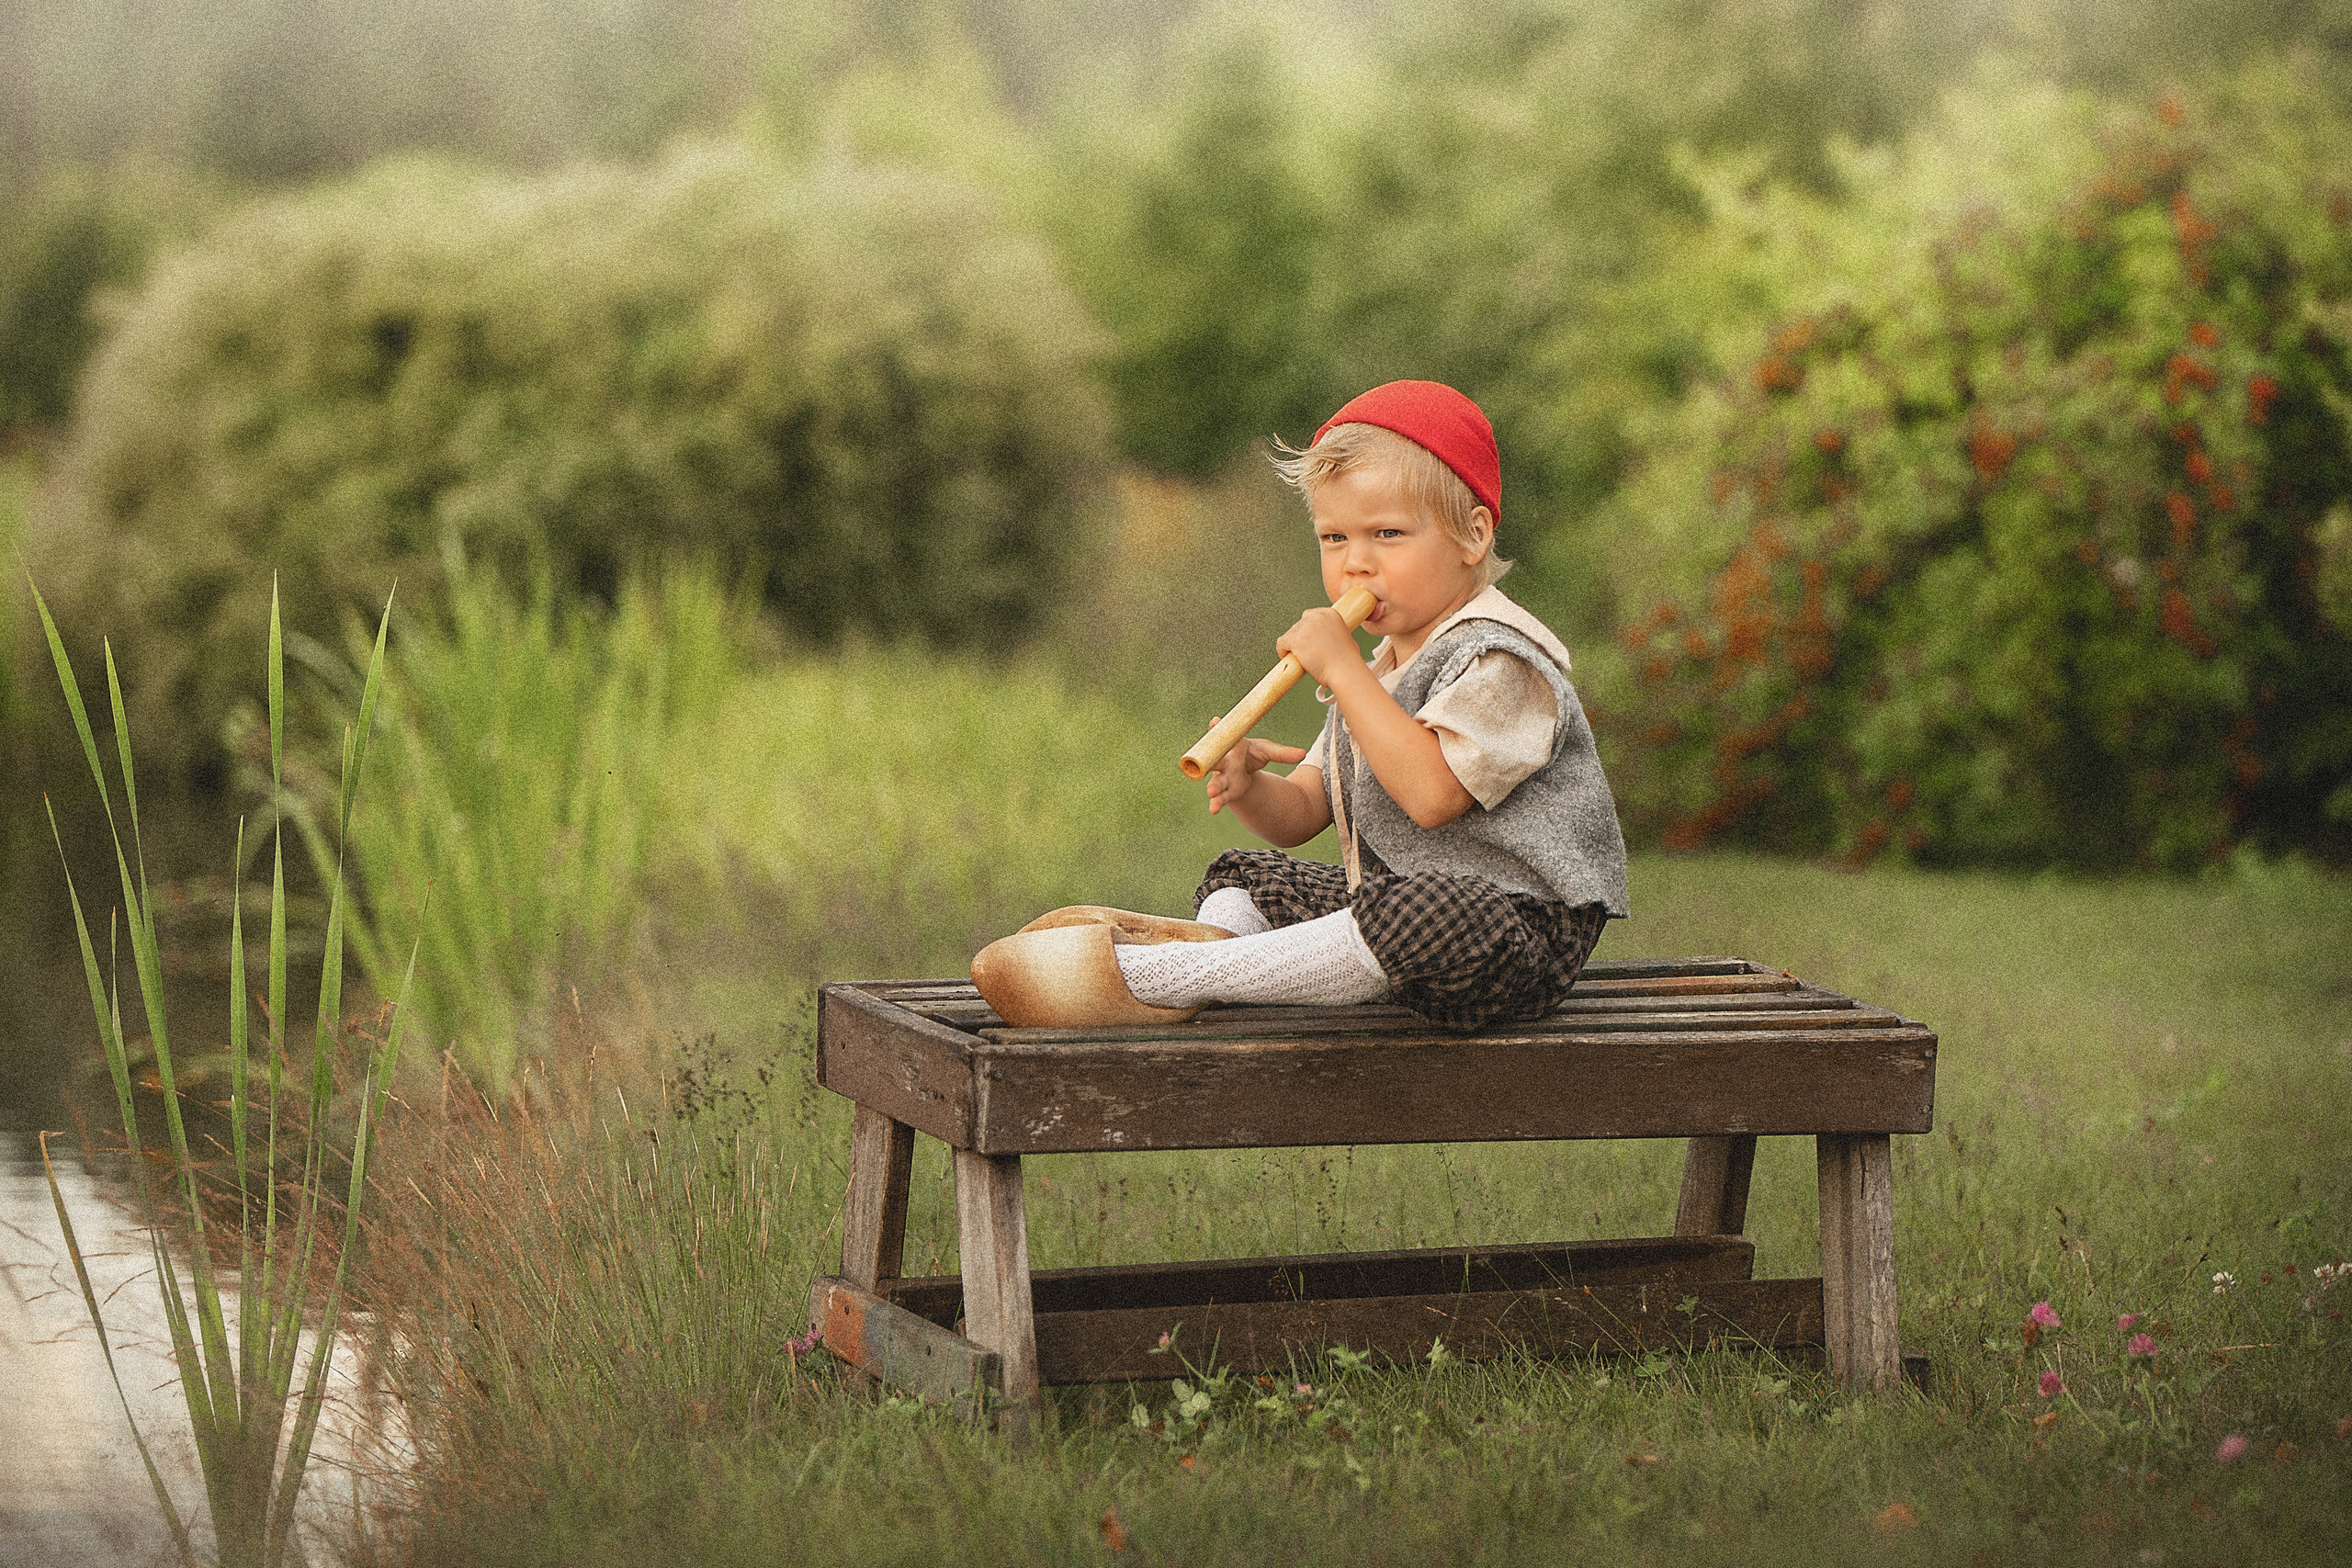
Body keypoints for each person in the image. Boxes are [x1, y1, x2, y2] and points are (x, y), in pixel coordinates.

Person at [971, 380, 1629, 1032]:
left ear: (1472, 535)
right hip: (1396, 916)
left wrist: (1344, 671)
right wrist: (1250, 787)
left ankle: (1160, 979)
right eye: (1334, 538)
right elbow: (1305, 810)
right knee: (1245, 876)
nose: (1355, 565)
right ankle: (1221, 964)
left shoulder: (1500, 661)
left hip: (1513, 936)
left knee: (1428, 911)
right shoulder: (1378, 673)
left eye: (1388, 533)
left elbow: (1432, 795)